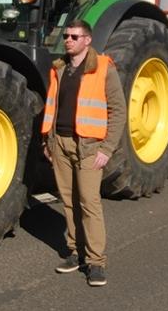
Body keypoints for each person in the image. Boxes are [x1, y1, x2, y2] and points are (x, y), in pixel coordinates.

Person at [41, 19, 126, 287]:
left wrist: (107, 148)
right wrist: (48, 141)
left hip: (89, 147)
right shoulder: (59, 68)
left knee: (90, 204)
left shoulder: (103, 67)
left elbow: (118, 110)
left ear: (87, 40)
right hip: (62, 144)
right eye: (66, 35)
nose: (68, 40)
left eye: (74, 36)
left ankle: (96, 261)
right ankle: (76, 252)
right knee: (68, 201)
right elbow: (53, 107)